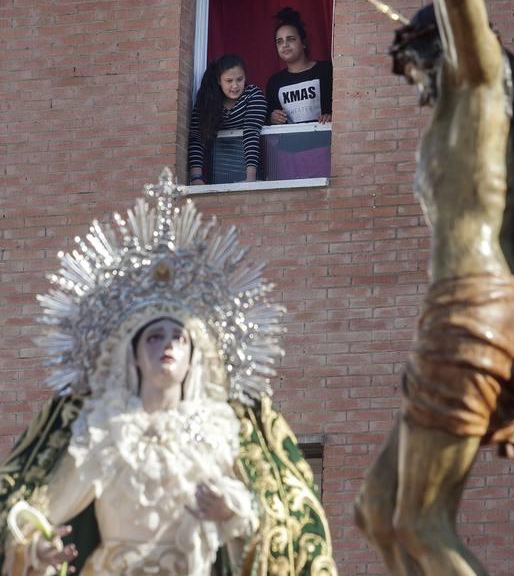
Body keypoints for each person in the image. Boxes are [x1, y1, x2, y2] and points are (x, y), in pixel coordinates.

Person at [355, 0, 514, 576]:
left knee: (423, 526)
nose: (415, 91)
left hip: (474, 307)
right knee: (376, 517)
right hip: (448, 310)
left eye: (411, 73)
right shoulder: (458, 110)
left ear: (438, 52)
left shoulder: (477, 77)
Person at [0, 170, 338, 576]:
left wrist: (235, 514)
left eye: (179, 337)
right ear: (133, 355)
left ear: (195, 356)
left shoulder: (220, 431)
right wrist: (34, 551)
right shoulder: (104, 429)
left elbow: (274, 523)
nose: (168, 346)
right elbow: (39, 511)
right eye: (154, 337)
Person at [188, 55, 266, 185]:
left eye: (239, 79)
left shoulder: (253, 95)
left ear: (245, 77)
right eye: (229, 81)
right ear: (219, 80)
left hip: (251, 171)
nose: (235, 86)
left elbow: (251, 133)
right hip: (216, 174)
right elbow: (196, 138)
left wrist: (250, 179)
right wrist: (196, 178)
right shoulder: (207, 102)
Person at [266, 8, 333, 125]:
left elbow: (344, 104)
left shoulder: (326, 70)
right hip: (291, 143)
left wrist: (332, 115)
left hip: (325, 141)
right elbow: (268, 122)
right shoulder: (274, 82)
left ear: (303, 43)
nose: (285, 45)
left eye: (291, 39)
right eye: (279, 41)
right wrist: (272, 118)